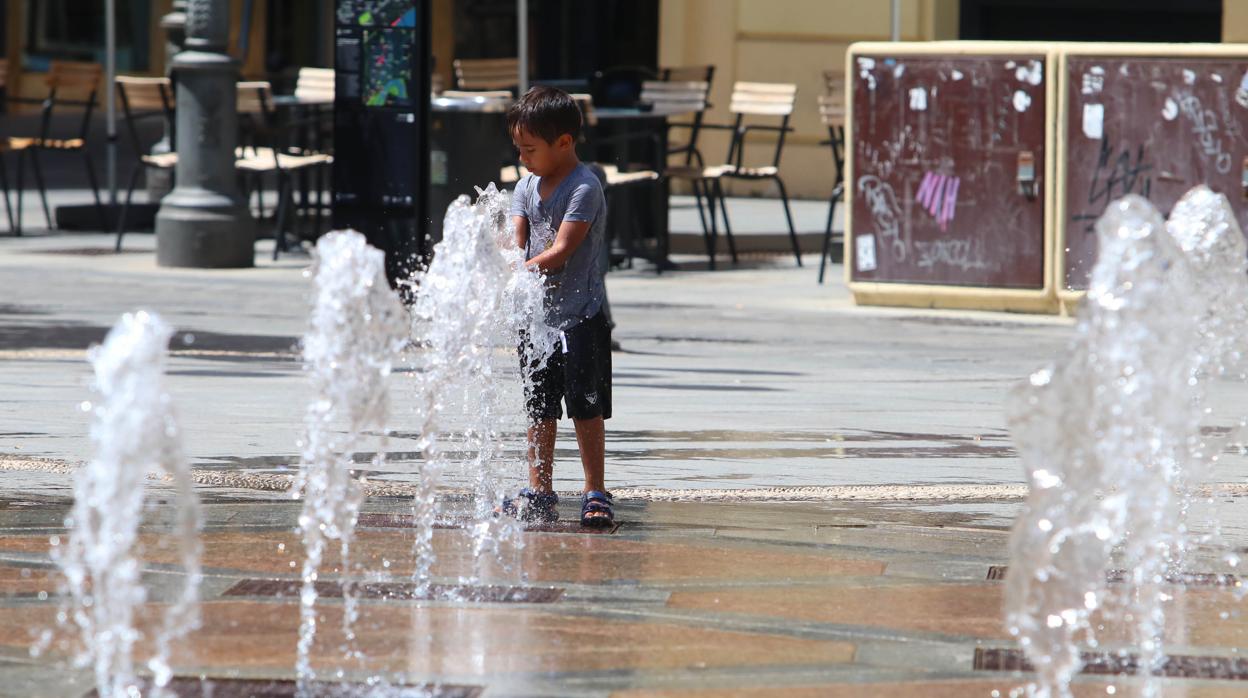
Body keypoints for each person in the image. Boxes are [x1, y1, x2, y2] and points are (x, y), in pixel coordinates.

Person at [505, 86, 614, 528]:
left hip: (582, 316)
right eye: (518, 149)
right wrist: (503, 263)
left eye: (529, 149)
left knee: (585, 406)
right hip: (537, 317)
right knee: (540, 406)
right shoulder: (526, 186)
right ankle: (540, 489)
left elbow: (562, 251)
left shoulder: (584, 188)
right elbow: (517, 240)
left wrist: (517, 271)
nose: (522, 158)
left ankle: (595, 490)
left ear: (564, 143)